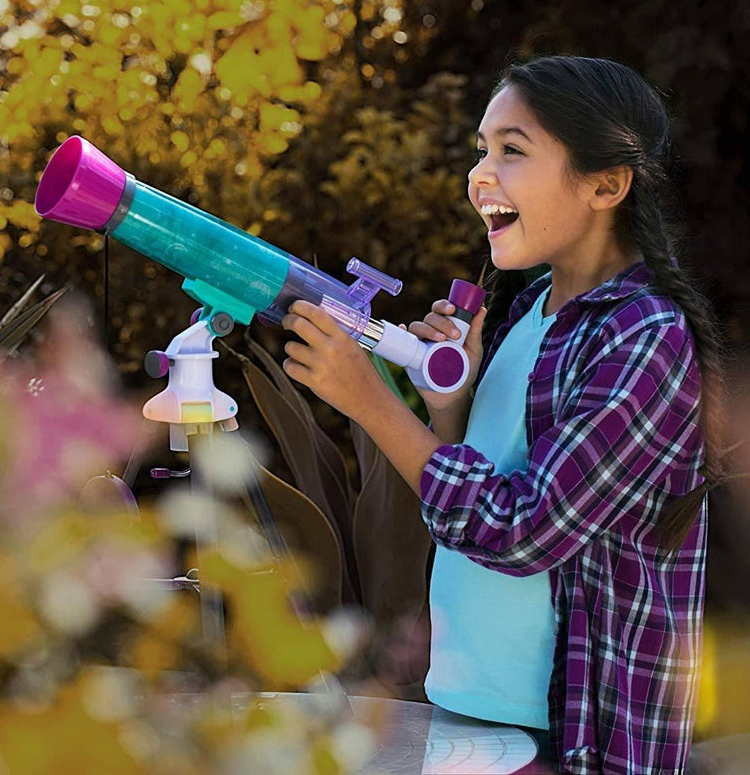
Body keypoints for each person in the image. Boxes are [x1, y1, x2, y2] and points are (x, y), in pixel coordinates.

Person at [281, 56, 730, 775]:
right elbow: (473, 497)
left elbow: (523, 530)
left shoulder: (647, 338)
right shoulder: (529, 315)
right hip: (472, 716)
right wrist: (447, 406)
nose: (480, 174)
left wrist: (370, 403)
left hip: (575, 740)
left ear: (606, 184)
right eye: (481, 150)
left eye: (512, 150)